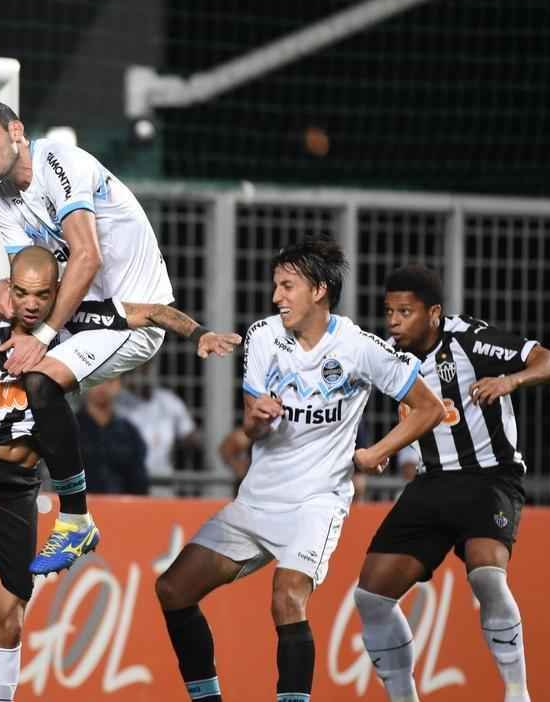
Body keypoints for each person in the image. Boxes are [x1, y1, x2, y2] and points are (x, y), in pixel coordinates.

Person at [0, 245, 239, 702]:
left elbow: (151, 311)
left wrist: (200, 334)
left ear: (58, 293)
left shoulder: (78, 323)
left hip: (10, 490)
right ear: (8, 288)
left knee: (8, 616)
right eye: (21, 293)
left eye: (41, 295)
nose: (30, 304)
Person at [154, 237, 445, 702]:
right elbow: (251, 429)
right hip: (258, 498)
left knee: (287, 595)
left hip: (317, 502)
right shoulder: (263, 336)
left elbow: (428, 409)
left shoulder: (359, 347)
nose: (277, 297)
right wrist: (256, 418)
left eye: (287, 286)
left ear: (320, 289)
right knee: (172, 589)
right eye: (276, 286)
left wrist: (375, 452)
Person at [0, 98, 175, 574]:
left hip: (133, 315)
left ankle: (75, 518)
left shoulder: (60, 161)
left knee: (38, 380)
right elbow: (35, 276)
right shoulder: (4, 200)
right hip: (82, 314)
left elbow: (86, 256)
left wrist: (45, 332)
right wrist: (0, 294)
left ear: (15, 131)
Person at [354, 264, 550, 702]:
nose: (393, 321)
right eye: (389, 311)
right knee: (371, 596)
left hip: (489, 476)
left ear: (433, 313)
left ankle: (517, 692)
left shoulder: (470, 340)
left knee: (487, 576)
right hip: (431, 483)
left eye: (404, 311)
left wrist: (510, 380)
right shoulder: (387, 354)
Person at [116, 362, 202, 494]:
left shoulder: (167, 400)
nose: (142, 373)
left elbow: (190, 435)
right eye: (137, 369)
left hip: (162, 481)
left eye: (146, 368)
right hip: (129, 482)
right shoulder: (119, 404)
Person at [79, 377, 150, 494]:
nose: (101, 387)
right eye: (96, 380)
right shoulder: (71, 429)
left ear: (118, 385)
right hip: (79, 507)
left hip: (121, 506)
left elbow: (139, 478)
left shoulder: (129, 432)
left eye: (109, 381)